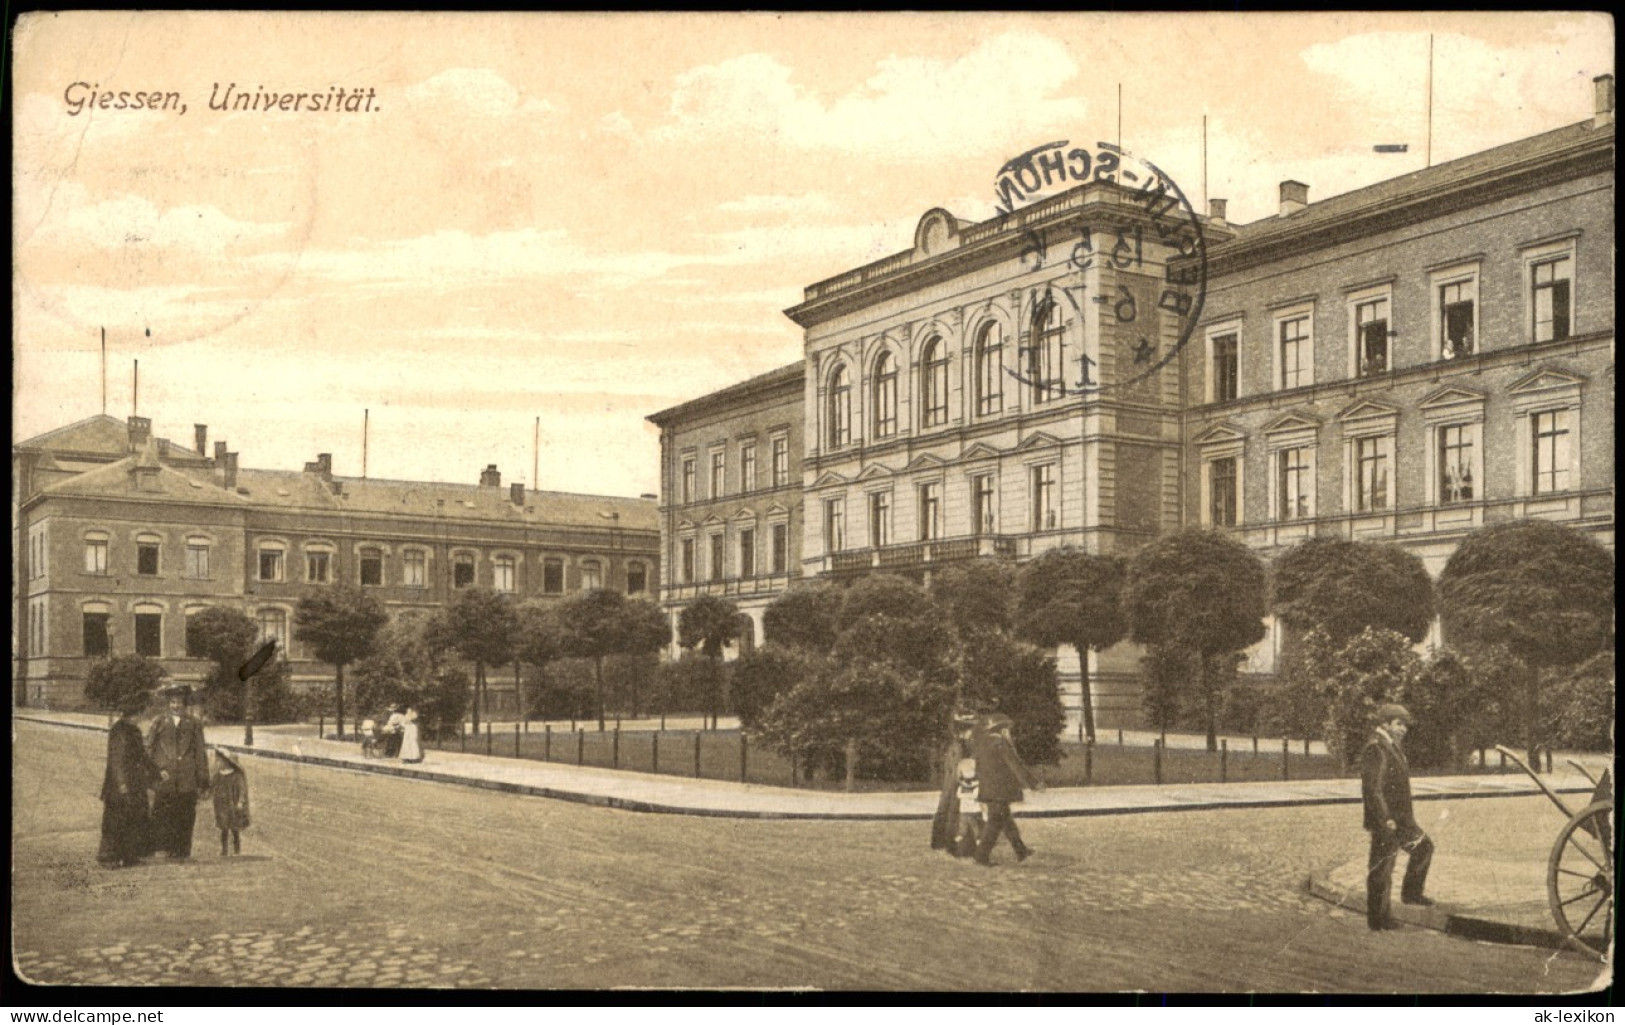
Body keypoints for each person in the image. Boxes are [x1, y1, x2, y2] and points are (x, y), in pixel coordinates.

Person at [1360, 703, 1435, 930]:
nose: (1404, 729)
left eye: (1405, 725)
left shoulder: (1390, 745)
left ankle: (1411, 894)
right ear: (1385, 724)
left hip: (1403, 820)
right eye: (1399, 724)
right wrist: (1384, 819)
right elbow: (1373, 789)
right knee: (1382, 868)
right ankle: (1378, 918)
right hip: (1388, 820)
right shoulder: (1377, 747)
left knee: (1424, 847)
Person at [146, 684, 211, 860]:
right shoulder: (159, 722)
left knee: (185, 814)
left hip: (186, 778)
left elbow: (199, 752)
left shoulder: (194, 724)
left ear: (185, 704)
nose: (176, 706)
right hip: (165, 777)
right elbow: (149, 748)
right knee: (162, 813)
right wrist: (150, 774)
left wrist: (203, 779)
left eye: (179, 702)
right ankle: (161, 847)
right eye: (173, 702)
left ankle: (182, 850)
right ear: (168, 703)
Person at [971, 713, 1043, 866]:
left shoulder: (982, 743)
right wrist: (1033, 783)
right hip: (1000, 790)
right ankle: (981, 856)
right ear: (1002, 729)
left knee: (1006, 820)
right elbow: (1015, 765)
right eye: (1007, 729)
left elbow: (978, 768)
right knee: (995, 822)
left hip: (987, 789)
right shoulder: (1001, 743)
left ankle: (1021, 850)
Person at [98, 691, 159, 868]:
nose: (143, 717)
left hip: (135, 784)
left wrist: (156, 771)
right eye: (142, 713)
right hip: (120, 786)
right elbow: (116, 760)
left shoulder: (133, 730)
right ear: (135, 713)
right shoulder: (119, 730)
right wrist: (122, 785)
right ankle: (108, 857)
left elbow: (142, 756)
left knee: (135, 819)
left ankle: (130, 856)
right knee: (115, 821)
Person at [931, 713, 979, 855]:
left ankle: (942, 843)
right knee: (958, 811)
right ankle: (956, 847)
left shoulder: (956, 744)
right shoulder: (962, 746)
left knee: (948, 809)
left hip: (953, 782)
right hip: (958, 782)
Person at [211, 749, 251, 856]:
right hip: (222, 805)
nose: (219, 763)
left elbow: (242, 790)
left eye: (221, 761)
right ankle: (224, 850)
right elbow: (212, 785)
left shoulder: (237, 776)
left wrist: (240, 801)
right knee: (223, 828)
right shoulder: (218, 775)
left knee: (234, 828)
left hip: (233, 805)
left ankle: (237, 850)